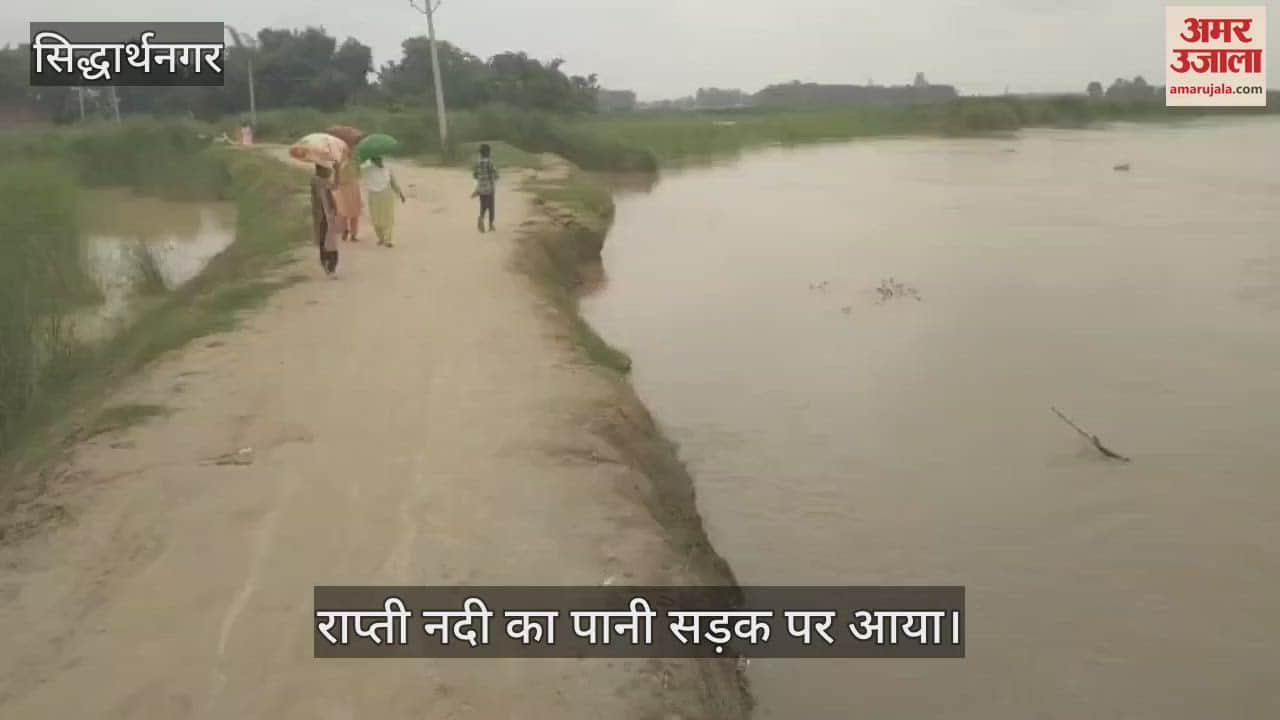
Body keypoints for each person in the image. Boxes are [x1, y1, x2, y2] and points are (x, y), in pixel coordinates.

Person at [362, 156, 406, 247]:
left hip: (386, 194)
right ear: (373, 161)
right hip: (374, 196)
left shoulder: (387, 168)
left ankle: (388, 240)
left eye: (380, 159)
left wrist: (400, 193)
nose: (380, 161)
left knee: (388, 217)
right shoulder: (367, 169)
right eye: (377, 160)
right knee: (376, 219)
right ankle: (381, 238)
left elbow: (393, 182)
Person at [310, 165, 341, 277]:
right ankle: (327, 264)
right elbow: (321, 193)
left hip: (329, 215)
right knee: (324, 242)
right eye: (327, 169)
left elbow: (336, 186)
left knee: (331, 242)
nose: (329, 171)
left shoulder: (324, 181)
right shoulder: (316, 180)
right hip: (321, 216)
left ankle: (331, 266)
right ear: (320, 170)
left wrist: (337, 171)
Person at [332, 157, 364, 242]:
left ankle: (352, 234)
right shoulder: (338, 163)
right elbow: (335, 180)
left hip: (351, 189)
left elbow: (359, 175)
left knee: (352, 213)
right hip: (345, 189)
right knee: (343, 213)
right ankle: (346, 231)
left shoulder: (354, 162)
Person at [473, 143, 499, 233]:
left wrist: (481, 179)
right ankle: (490, 224)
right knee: (491, 206)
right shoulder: (489, 162)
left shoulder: (478, 163)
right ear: (487, 152)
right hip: (489, 189)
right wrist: (495, 177)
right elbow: (495, 174)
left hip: (481, 188)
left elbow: (475, 175)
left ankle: (481, 217)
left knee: (483, 205)